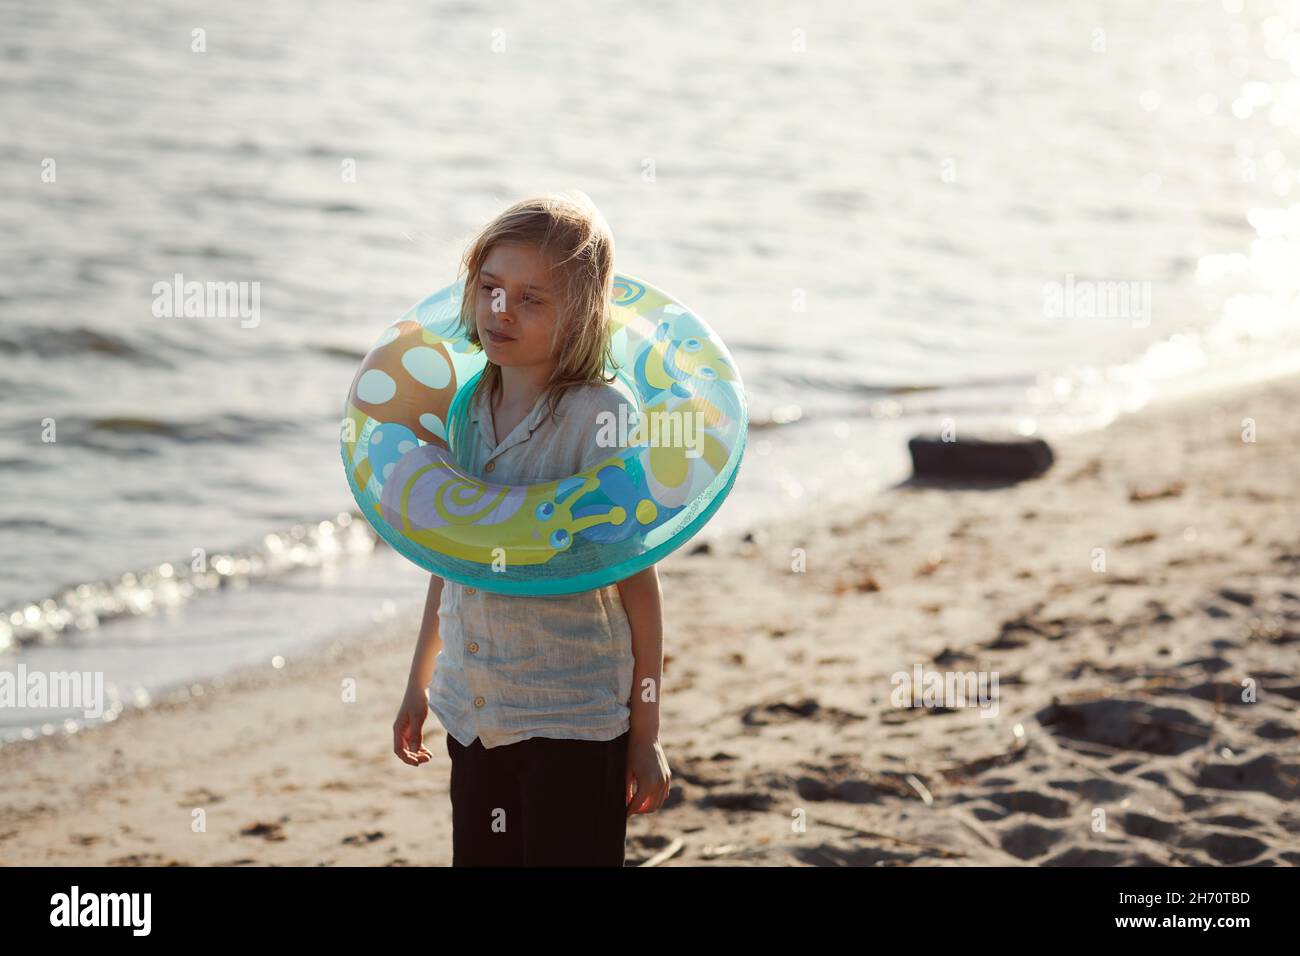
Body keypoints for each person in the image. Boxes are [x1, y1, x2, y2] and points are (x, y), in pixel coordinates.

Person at [391, 190, 671, 866]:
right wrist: (418, 684)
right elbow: (451, 556)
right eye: (490, 288)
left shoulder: (597, 418)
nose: (500, 311)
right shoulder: (465, 410)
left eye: (531, 298)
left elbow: (638, 585)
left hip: (571, 714)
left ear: (580, 317)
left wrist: (646, 735)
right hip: (474, 710)